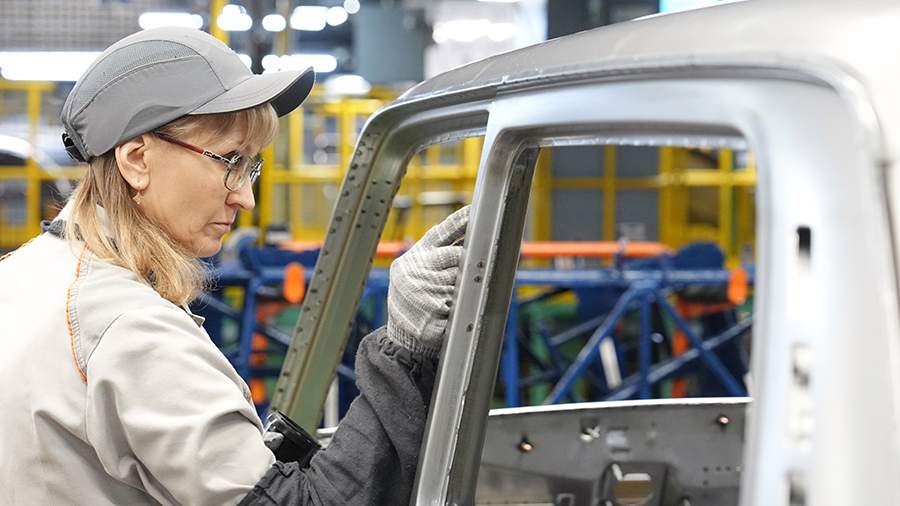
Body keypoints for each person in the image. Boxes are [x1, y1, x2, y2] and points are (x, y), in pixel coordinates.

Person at [0, 27, 468, 505]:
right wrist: (404, 351)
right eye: (230, 161)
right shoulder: (130, 328)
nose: (246, 197)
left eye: (251, 167)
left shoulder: (21, 274)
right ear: (137, 159)